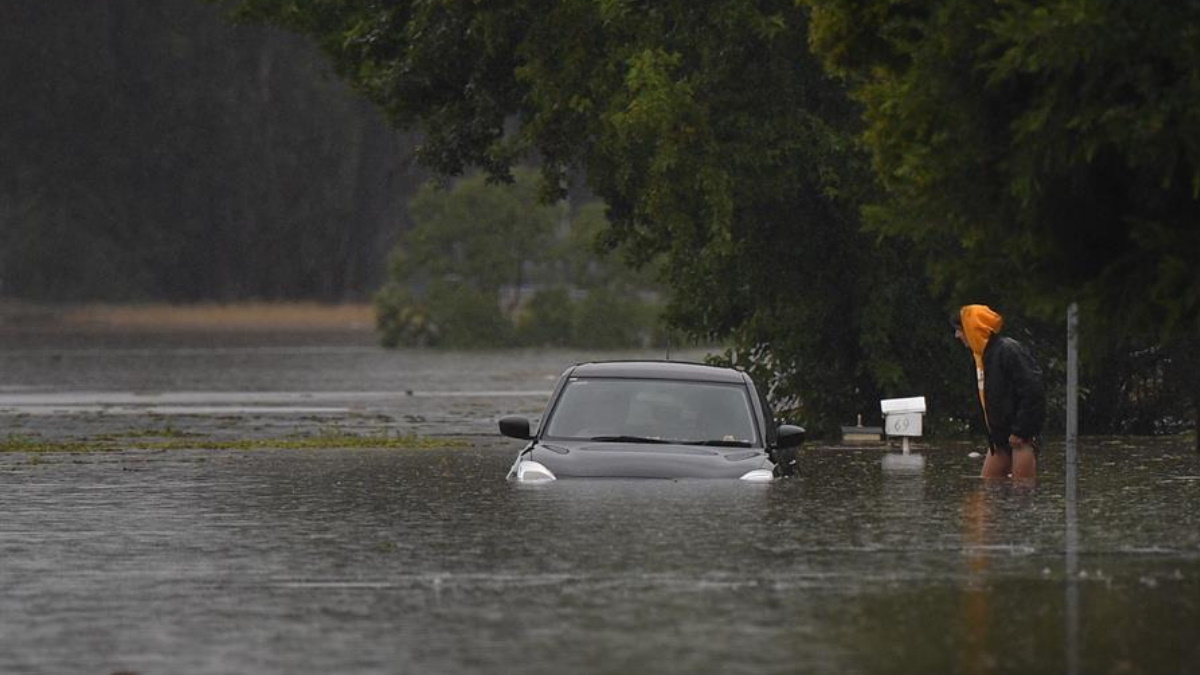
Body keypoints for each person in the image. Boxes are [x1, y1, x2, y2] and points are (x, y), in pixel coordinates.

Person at [954, 304, 1046, 479]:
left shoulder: (1008, 351)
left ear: (973, 329)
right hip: (999, 438)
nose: (957, 335)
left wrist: (1021, 431)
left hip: (1021, 438)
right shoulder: (980, 358)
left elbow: (1033, 390)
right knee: (988, 488)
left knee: (1022, 490)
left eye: (960, 330)